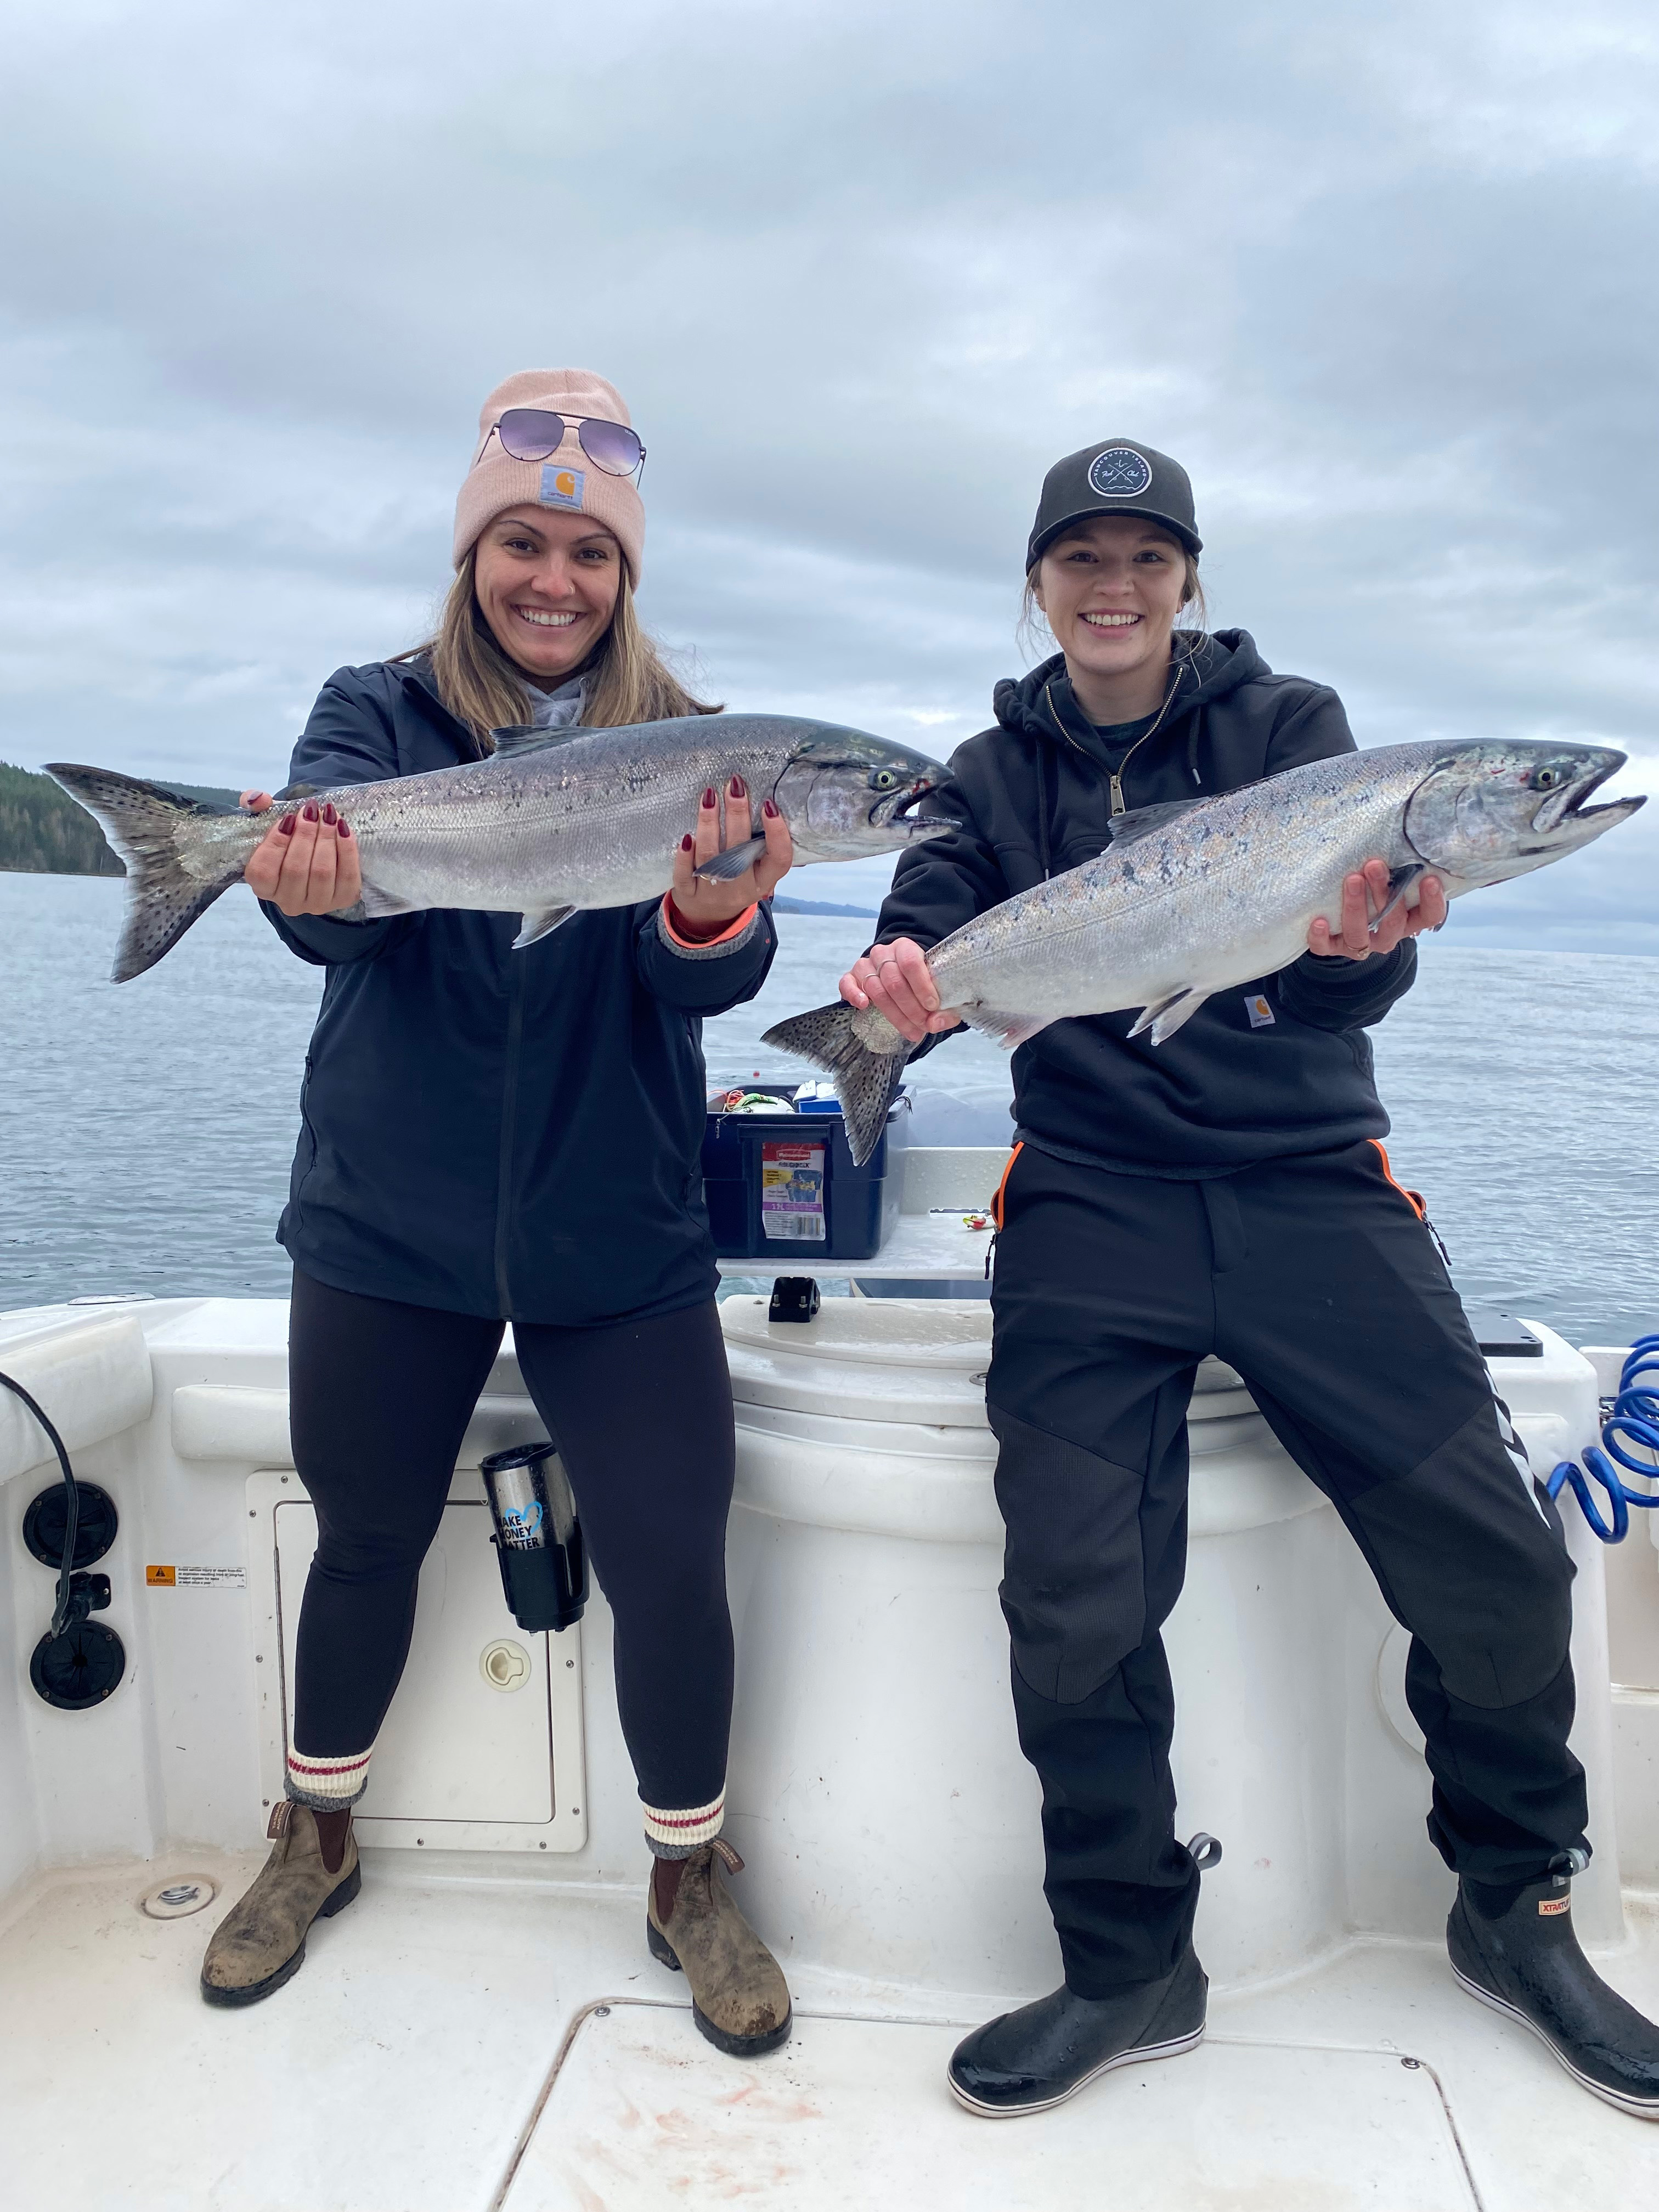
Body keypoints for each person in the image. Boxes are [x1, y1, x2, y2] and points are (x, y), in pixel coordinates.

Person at [842, 438, 1659, 2119]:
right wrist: (899, 985)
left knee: (1497, 1566)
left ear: (1190, 582)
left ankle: (1519, 1909)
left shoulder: (1295, 736)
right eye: (1084, 560)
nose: (1116, 588)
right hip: (1088, 1208)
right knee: (1072, 1601)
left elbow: (1354, 993)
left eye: (1148, 559)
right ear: (1041, 583)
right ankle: (1131, 1956)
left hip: (1308, 1195)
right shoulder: (989, 777)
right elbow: (931, 919)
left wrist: (1367, 943)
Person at [199, 369, 793, 2059]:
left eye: (590, 555)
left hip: (619, 1229)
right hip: (391, 1219)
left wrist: (702, 915)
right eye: (523, 543)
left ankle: (690, 1876)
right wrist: (308, 891)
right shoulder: (374, 712)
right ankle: (313, 1840)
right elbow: (332, 928)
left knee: (673, 1564)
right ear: (474, 555)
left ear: (625, 578)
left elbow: (720, 978)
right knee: (366, 1537)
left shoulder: (702, 747)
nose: (555, 579)